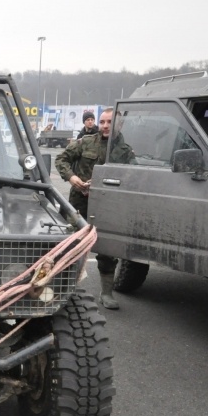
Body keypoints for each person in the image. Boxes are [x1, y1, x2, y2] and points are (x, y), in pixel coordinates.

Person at [55, 107, 135, 310]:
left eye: (109, 122)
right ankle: (61, 289)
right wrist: (73, 179)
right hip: (79, 204)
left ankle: (107, 293)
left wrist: (107, 184)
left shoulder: (126, 152)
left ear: (120, 124)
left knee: (107, 248)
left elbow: (132, 178)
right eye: (102, 122)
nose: (105, 126)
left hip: (107, 205)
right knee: (68, 245)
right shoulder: (86, 142)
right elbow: (61, 160)